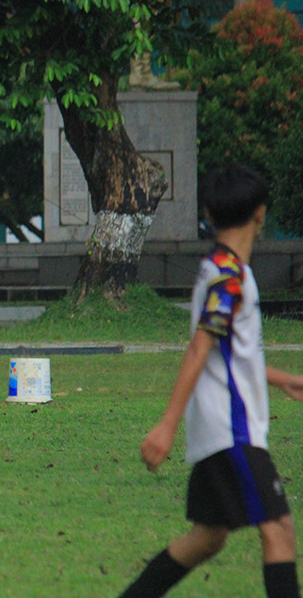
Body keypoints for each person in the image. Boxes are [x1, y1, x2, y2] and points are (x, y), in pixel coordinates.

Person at [119, 163, 303, 597]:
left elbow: (228, 355)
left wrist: (281, 379)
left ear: (210, 214)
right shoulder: (229, 276)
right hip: (233, 430)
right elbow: (201, 347)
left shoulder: (218, 267)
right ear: (260, 214)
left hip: (218, 427)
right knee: (278, 530)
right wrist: (166, 424)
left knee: (208, 537)